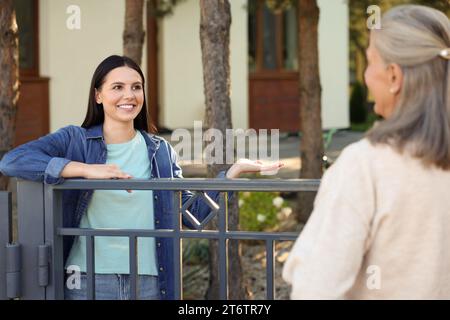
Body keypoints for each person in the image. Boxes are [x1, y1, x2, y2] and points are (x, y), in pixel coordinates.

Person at [0, 55, 282, 300]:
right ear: (98, 94)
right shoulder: (76, 140)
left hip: (148, 281)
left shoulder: (160, 151)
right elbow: (13, 161)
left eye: (136, 87)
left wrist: (232, 173)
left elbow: (190, 216)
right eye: (117, 87)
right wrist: (84, 169)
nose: (129, 95)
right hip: (87, 278)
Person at [283, 5, 450, 299]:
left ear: (394, 77)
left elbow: (315, 288)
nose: (365, 74)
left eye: (371, 61)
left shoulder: (365, 166)